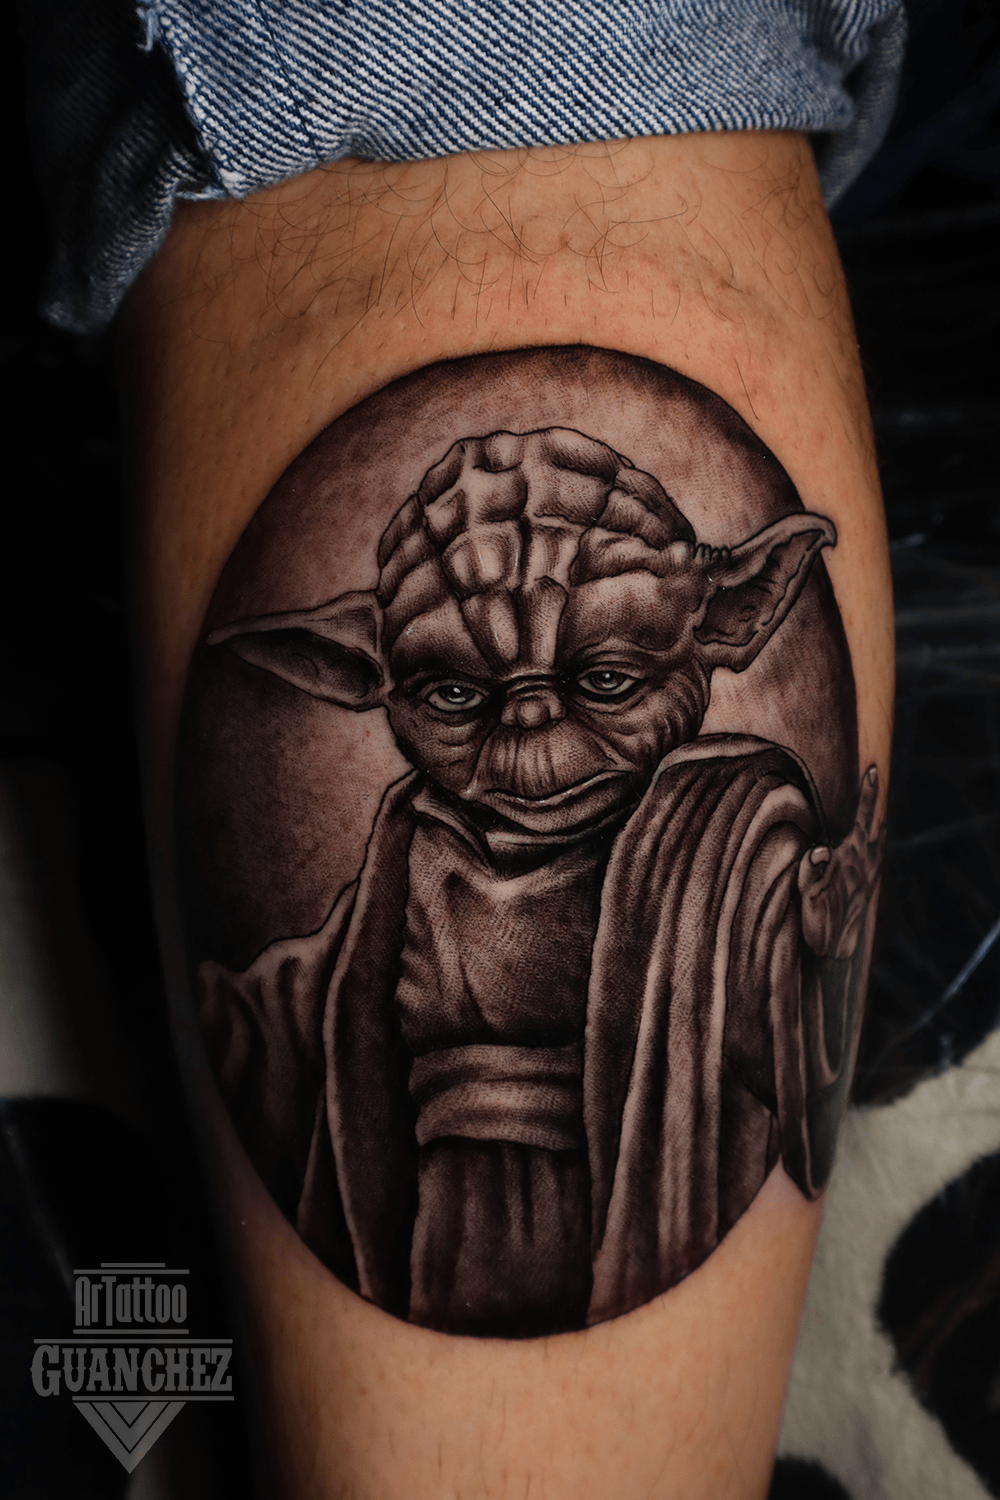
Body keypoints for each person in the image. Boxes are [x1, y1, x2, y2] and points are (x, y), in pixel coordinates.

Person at [28, 0, 901, 1492]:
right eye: (451, 696)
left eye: (607, 675)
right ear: (365, 677)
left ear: (725, 624)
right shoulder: (367, 916)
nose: (534, 739)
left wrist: (795, 917)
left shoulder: (730, 844)